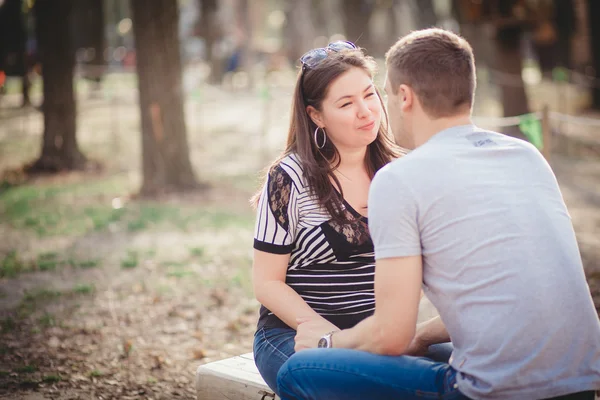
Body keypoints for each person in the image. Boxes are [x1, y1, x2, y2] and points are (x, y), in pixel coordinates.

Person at [278, 28, 600, 400]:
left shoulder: (399, 179)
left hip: (491, 393)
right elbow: (508, 289)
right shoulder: (525, 156)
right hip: (579, 384)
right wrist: (423, 336)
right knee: (428, 354)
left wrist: (327, 341)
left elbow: (390, 335)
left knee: (296, 371)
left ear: (404, 97)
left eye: (380, 93)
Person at [251, 41, 451, 396]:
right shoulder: (288, 178)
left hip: (377, 335)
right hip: (298, 336)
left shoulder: (402, 171)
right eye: (346, 103)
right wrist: (329, 337)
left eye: (369, 94)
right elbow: (267, 283)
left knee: (469, 370)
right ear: (316, 116)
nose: (366, 111)